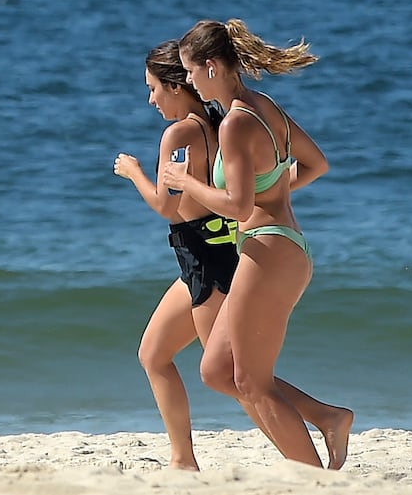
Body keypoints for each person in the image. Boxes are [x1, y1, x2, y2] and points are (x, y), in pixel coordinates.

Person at [117, 40, 351, 470]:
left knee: (244, 379)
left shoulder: (221, 125)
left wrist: (146, 175)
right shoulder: (254, 109)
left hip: (241, 251)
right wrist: (271, 193)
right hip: (253, 245)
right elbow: (315, 165)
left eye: (157, 86)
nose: (153, 97)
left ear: (203, 69)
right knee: (215, 370)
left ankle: (313, 463)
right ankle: (318, 422)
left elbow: (185, 206)